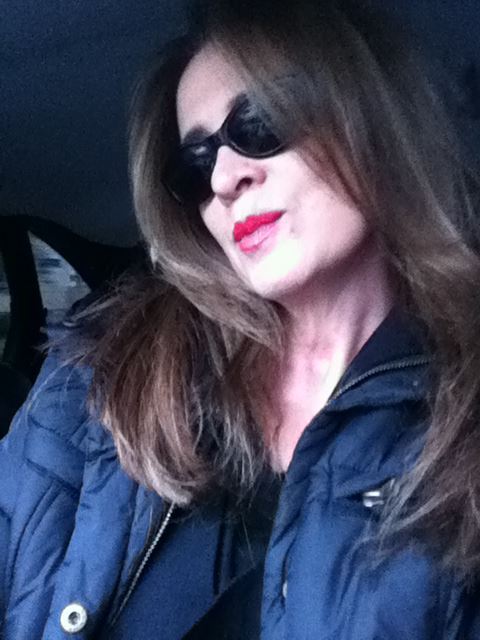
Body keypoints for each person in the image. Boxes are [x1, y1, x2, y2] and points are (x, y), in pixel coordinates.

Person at [2, 0, 480, 637]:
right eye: (194, 165)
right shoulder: (100, 376)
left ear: (369, 116)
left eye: (258, 123)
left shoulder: (463, 423)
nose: (224, 178)